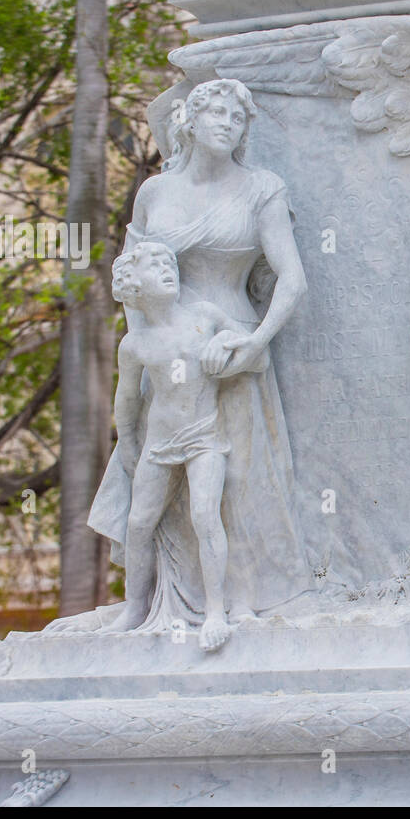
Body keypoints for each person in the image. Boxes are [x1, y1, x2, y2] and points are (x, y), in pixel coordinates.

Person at [88, 78, 310, 629]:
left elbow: (292, 279)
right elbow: (132, 275)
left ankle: (241, 601)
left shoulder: (262, 187)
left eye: (238, 118)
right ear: (189, 120)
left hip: (231, 344)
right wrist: (147, 343)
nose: (227, 124)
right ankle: (159, 603)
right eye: (216, 113)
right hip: (166, 348)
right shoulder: (156, 194)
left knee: (235, 481)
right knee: (156, 495)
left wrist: (256, 340)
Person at [108, 242, 243, 651]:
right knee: (137, 524)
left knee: (205, 515)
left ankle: (216, 611)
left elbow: (251, 348)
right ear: (134, 287)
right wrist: (128, 444)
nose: (169, 270)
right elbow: (126, 399)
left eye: (170, 264)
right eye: (155, 267)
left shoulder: (203, 316)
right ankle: (134, 607)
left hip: (205, 436)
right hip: (160, 442)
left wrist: (228, 344)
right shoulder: (135, 344)